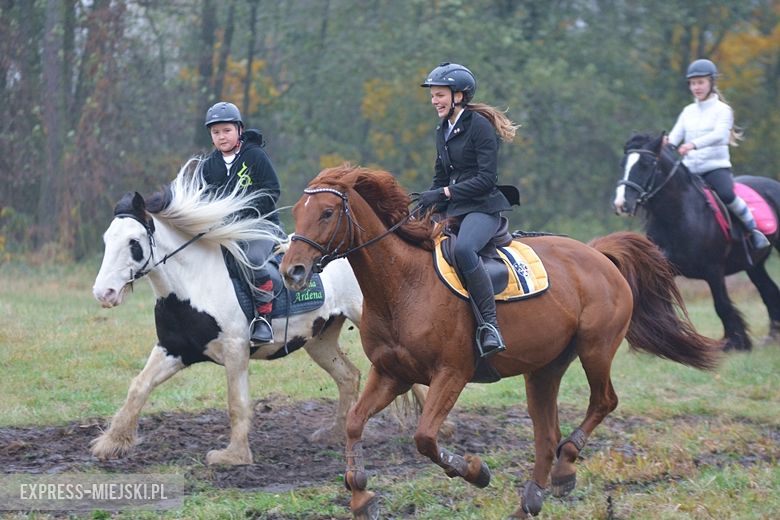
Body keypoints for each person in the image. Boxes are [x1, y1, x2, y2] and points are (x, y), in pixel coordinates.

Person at [418, 62, 519, 358]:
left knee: (464, 250)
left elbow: (486, 179)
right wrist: (427, 201)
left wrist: (446, 191)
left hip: (483, 207)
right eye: (433, 96)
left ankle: (489, 325)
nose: (434, 101)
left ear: (459, 95)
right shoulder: (443, 129)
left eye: (439, 95)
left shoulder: (479, 126)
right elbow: (440, 177)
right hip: (454, 207)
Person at [667, 58, 770, 250]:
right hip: (690, 170)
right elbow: (674, 138)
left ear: (711, 83)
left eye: (700, 82)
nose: (696, 87)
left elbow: (720, 136)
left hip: (715, 168)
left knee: (727, 194)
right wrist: (664, 143)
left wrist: (692, 144)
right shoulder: (687, 111)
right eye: (692, 83)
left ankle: (753, 231)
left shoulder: (723, 110)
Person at [202, 101, 283, 344]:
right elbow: (204, 199)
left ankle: (263, 319)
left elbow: (272, 191)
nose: (221, 136)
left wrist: (240, 214)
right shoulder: (209, 165)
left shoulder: (255, 155)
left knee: (253, 260)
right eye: (216, 132)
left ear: (239, 129)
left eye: (226, 130)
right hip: (225, 231)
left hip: (261, 226)